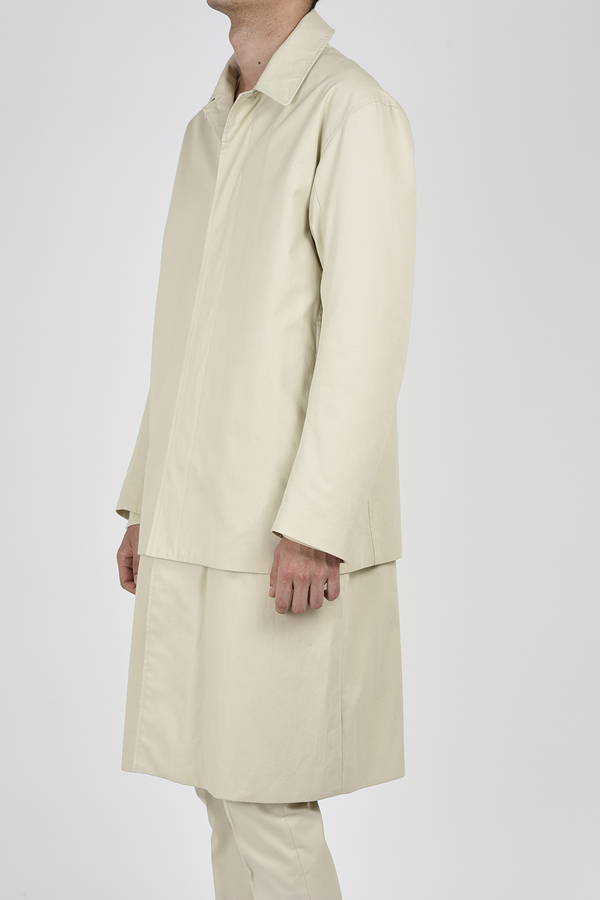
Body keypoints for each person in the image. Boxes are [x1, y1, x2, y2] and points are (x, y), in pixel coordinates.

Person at [115, 0, 416, 896]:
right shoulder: (209, 128)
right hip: (197, 517)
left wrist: (318, 524)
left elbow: (367, 339)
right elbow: (184, 336)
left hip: (280, 528)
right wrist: (147, 499)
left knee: (268, 803)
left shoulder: (349, 112)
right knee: (218, 790)